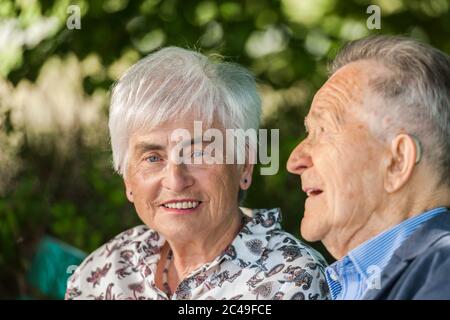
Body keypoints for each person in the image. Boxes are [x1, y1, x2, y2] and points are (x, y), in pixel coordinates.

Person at [66, 46, 329, 300]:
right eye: (153, 157)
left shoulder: (290, 280)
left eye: (199, 154)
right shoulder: (103, 272)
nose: (175, 180)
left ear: (245, 165)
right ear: (127, 177)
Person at [287, 35, 450, 299]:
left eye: (323, 130)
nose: (294, 160)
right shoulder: (346, 283)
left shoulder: (442, 272)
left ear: (397, 162)